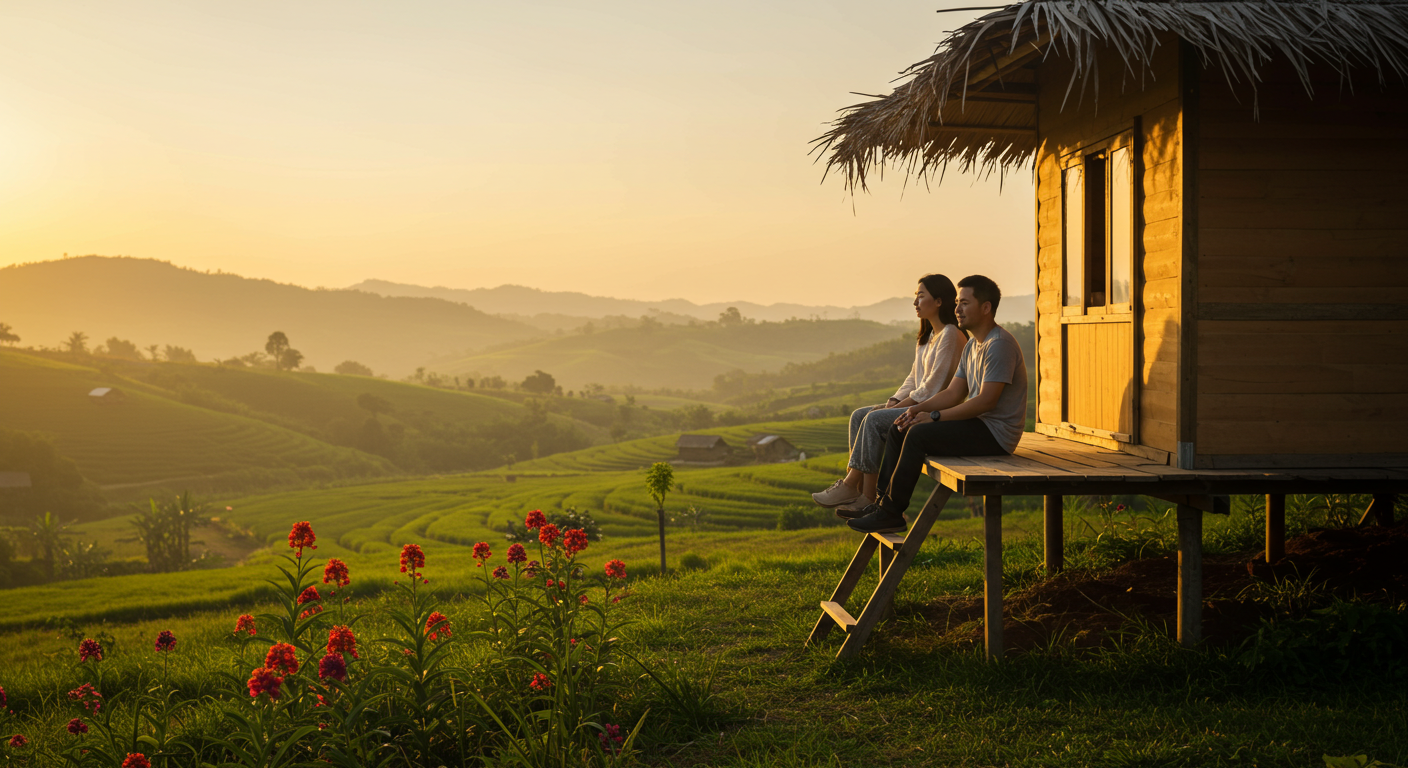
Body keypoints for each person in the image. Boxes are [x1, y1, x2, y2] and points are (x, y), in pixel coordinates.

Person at [847, 274, 1027, 534]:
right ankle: (881, 504)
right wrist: (914, 410)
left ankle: (891, 513)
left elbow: (986, 402)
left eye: (964, 303)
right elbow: (954, 393)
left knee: (918, 435)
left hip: (997, 434)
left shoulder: (998, 345)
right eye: (956, 302)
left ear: (986, 308)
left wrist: (934, 417)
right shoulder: (973, 345)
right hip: (979, 425)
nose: (957, 309)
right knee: (902, 426)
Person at [811, 274, 967, 516]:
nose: (916, 302)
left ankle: (853, 487)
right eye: (915, 296)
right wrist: (894, 401)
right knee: (859, 415)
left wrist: (897, 408)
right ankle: (865, 495)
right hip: (918, 404)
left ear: (938, 301)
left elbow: (932, 387)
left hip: (933, 411)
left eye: (921, 296)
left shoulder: (950, 334)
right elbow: (914, 379)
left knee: (873, 420)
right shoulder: (927, 338)